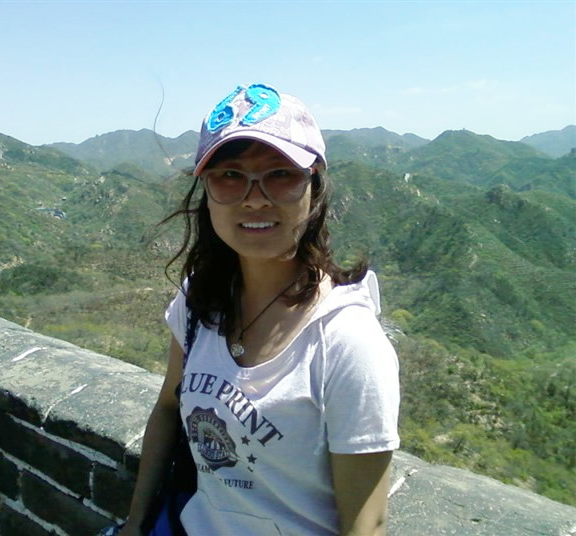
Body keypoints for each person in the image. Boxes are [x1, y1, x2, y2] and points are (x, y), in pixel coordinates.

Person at [120, 83, 400, 536]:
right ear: (206, 191)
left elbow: (365, 525)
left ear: (314, 186)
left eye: (280, 174)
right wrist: (135, 524)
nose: (254, 197)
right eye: (230, 175)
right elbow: (169, 407)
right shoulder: (199, 303)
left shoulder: (346, 342)